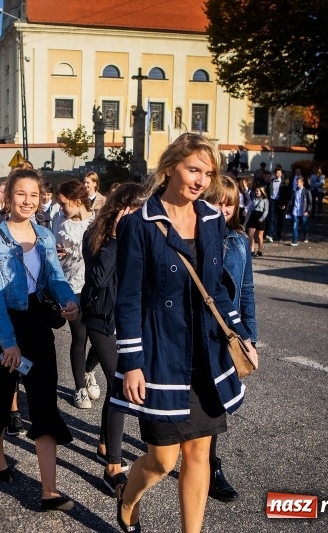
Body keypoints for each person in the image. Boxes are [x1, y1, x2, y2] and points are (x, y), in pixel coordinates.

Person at [112, 133, 258, 532]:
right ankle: (127, 497)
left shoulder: (212, 219)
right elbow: (127, 301)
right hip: (160, 354)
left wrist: (241, 334)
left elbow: (216, 290)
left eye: (207, 173)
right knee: (162, 460)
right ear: (170, 166)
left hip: (206, 354)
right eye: (194, 169)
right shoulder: (139, 224)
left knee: (199, 454)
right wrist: (133, 363)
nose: (201, 180)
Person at [0, 169, 80, 511]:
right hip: (3, 325)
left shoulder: (45, 236)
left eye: (34, 195)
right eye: (21, 194)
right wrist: (7, 342)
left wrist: (69, 300)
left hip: (36, 323)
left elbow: (54, 277)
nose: (27, 201)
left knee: (44, 402)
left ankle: (49, 491)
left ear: (40, 198)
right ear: (8, 197)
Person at [81, 183, 147, 494]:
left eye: (140, 210)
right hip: (100, 320)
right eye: (131, 210)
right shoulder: (96, 236)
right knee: (119, 384)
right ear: (118, 210)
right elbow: (97, 278)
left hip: (129, 322)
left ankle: (106, 443)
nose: (136, 216)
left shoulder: (143, 236)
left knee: (115, 385)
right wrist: (117, 239)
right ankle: (113, 468)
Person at [202, 176, 258, 502]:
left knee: (216, 404)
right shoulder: (191, 238)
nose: (223, 209)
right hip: (195, 334)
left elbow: (246, 293)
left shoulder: (238, 241)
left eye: (229, 203)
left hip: (226, 336)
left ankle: (211, 467)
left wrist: (250, 340)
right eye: (217, 201)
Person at [52, 179, 98, 409]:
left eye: (63, 204)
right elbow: (53, 248)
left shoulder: (98, 221)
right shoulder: (60, 220)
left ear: (77, 201)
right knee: (79, 337)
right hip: (71, 286)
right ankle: (80, 387)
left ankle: (89, 370)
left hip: (96, 286)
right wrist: (57, 253)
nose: (61, 208)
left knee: (101, 338)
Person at [287, 176, 312, 245]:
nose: (296, 183)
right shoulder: (295, 191)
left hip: (303, 211)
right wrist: (289, 209)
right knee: (294, 225)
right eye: (296, 182)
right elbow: (291, 201)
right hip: (295, 211)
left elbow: (310, 203)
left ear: (302, 182)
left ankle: (305, 235)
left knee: (304, 225)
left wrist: (308, 211)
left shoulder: (307, 191)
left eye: (297, 182)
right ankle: (294, 240)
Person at [246, 186, 269, 256]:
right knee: (250, 234)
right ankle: (252, 249)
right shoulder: (254, 199)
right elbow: (251, 209)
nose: (256, 193)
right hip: (253, 216)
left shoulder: (265, 200)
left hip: (260, 216)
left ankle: (260, 250)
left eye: (257, 191)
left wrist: (262, 218)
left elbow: (266, 210)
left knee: (259, 235)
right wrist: (247, 217)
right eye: (255, 191)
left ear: (261, 192)